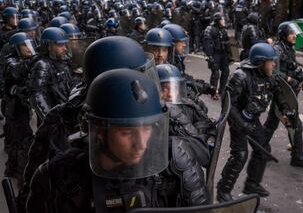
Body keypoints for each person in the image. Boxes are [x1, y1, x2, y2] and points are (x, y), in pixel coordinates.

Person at [27, 69, 209, 212]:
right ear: (99, 131)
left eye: (147, 129)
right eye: (126, 132)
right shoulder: (57, 175)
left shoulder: (172, 165)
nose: (141, 143)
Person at [216, 43, 288, 202]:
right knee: (240, 155)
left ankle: (252, 184)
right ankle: (223, 190)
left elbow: (278, 93)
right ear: (261, 62)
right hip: (238, 121)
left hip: (253, 119)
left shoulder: (269, 75)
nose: (274, 64)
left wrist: (284, 108)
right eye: (271, 61)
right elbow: (227, 104)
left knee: (263, 149)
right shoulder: (240, 77)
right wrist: (242, 125)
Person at [272, 21, 303, 168]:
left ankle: (261, 149)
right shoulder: (277, 50)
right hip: (281, 92)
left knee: (271, 122)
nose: (294, 35)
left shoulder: (289, 49)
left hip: (287, 92)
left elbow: (291, 66)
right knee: (296, 124)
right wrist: (290, 79)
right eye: (291, 33)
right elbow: (273, 72)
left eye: (294, 32)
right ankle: (297, 156)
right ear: (284, 35)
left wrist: (299, 75)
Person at [3, 32, 37, 185]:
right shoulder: (11, 62)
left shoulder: (26, 60)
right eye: (25, 46)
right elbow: (17, 71)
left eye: (30, 45)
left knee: (17, 142)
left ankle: (11, 169)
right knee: (25, 142)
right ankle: (24, 179)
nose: (29, 49)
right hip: (14, 109)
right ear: (17, 48)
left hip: (22, 108)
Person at [29, 27, 74, 121]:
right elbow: (37, 96)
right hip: (55, 118)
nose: (65, 49)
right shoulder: (42, 65)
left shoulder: (63, 62)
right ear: (48, 46)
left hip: (66, 112)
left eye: (65, 44)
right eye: (60, 45)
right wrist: (50, 121)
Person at [203, 12, 232, 100]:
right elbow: (207, 43)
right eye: (222, 19)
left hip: (223, 54)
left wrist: (230, 55)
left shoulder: (223, 29)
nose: (223, 21)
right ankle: (213, 92)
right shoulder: (210, 29)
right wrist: (209, 56)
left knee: (226, 72)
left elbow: (228, 43)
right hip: (215, 53)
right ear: (217, 20)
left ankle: (221, 90)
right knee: (215, 73)